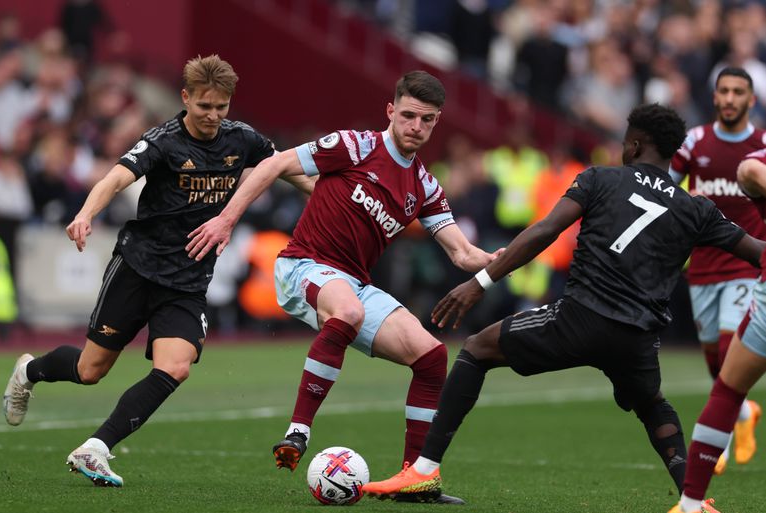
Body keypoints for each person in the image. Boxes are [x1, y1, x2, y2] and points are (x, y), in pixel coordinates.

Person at [361, 103, 766, 507]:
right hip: (637, 337)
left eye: (626, 143)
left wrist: (480, 281)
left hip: (580, 318)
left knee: (476, 349)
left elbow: (545, 230)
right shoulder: (695, 208)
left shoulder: (600, 178)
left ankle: (424, 469)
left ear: (636, 144)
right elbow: (757, 252)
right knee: (652, 404)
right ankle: (695, 502)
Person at [185, 70, 499, 505]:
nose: (416, 127)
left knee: (431, 357)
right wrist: (225, 220)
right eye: (408, 115)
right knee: (347, 312)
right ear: (391, 110)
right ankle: (298, 431)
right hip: (304, 264)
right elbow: (275, 164)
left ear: (436, 121)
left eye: (427, 120)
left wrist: (497, 259)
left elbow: (462, 254)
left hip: (353, 282)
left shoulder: (424, 185)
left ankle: (416, 479)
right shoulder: (355, 145)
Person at [1, 54, 313, 487]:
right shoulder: (163, 141)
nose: (212, 116)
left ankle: (96, 448)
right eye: (204, 106)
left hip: (188, 281)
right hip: (138, 267)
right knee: (91, 370)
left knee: (177, 366)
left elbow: (285, 169)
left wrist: (329, 198)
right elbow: (115, 178)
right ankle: (29, 372)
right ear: (185, 98)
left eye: (221, 107)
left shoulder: (242, 140)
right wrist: (86, 213)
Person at [669, 66, 765, 474]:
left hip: (747, 263)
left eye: (737, 92)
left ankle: (715, 438)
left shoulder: (762, 144)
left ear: (751, 99)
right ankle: (744, 412)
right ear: (714, 97)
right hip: (704, 264)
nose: (729, 98)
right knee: (714, 358)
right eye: (723, 91)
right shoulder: (694, 142)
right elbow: (667, 186)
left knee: (730, 348)